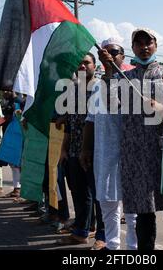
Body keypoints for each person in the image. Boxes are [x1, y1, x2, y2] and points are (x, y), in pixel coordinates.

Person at [99, 28, 163, 251]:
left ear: (156, 45)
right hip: (136, 157)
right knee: (144, 218)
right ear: (133, 48)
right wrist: (109, 70)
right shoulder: (125, 77)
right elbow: (110, 105)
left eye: (148, 42)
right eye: (138, 43)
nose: (144, 47)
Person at [81, 38, 138, 250]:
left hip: (129, 153)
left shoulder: (132, 80)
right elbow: (91, 119)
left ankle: (133, 248)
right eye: (106, 53)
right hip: (103, 153)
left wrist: (109, 73)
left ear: (123, 56)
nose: (111, 56)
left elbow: (118, 105)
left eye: (115, 52)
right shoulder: (97, 86)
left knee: (132, 208)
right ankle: (112, 246)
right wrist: (86, 148)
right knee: (107, 203)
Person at [56, 53, 105, 248]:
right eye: (80, 63)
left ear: (95, 65)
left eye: (87, 62)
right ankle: (81, 232)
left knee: (100, 197)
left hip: (96, 151)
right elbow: (69, 122)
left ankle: (102, 235)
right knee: (79, 193)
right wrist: (63, 149)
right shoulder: (72, 90)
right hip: (75, 151)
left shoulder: (101, 87)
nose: (83, 66)